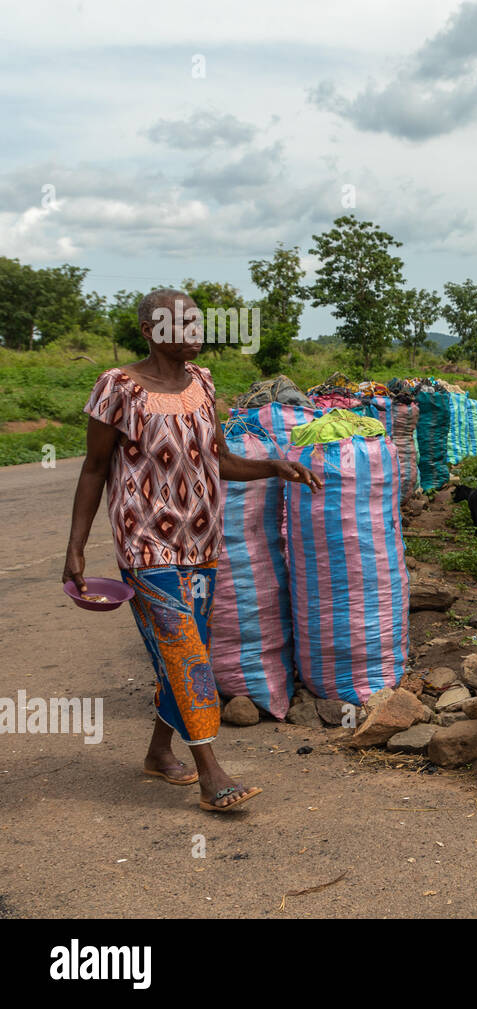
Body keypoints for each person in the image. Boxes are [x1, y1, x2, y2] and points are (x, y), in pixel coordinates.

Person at [62, 289, 322, 812]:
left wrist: (273, 466)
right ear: (149, 332)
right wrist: (76, 547)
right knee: (183, 650)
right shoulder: (117, 387)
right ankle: (212, 772)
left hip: (201, 541)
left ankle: (160, 753)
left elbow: (218, 459)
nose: (194, 332)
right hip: (145, 544)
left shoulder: (202, 383)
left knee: (185, 651)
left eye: (196, 322)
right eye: (179, 324)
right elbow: (93, 470)